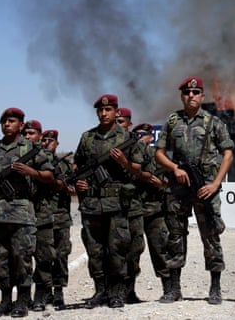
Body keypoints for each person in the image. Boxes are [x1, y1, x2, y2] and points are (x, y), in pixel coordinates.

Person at [155, 77, 234, 305]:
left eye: (196, 92)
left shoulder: (213, 122)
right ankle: (174, 289)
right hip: (179, 187)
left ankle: (215, 287)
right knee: (175, 236)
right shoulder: (172, 121)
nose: (191, 96)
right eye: (187, 93)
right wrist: (174, 168)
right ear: (182, 96)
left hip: (205, 187)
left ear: (202, 96)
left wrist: (216, 183)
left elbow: (228, 153)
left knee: (210, 235)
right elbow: (159, 153)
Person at [73, 94, 146, 309]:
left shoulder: (127, 138)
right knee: (95, 249)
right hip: (92, 203)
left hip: (117, 202)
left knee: (117, 248)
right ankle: (100, 291)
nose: (104, 114)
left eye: (108, 110)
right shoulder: (87, 137)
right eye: (100, 110)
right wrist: (80, 183)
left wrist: (124, 162)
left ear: (116, 111)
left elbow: (138, 169)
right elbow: (78, 165)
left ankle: (116, 292)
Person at [0, 108, 55, 317]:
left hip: (22, 211)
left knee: (22, 258)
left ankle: (22, 301)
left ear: (21, 125)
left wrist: (32, 172)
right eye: (4, 121)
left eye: (12, 121)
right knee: (1, 260)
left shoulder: (30, 148)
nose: (7, 124)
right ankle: (5, 301)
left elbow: (49, 175)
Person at [132, 123, 173, 302]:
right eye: (137, 135)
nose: (140, 138)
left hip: (155, 209)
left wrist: (161, 185)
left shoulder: (157, 157)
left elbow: (169, 182)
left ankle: (169, 288)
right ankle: (128, 290)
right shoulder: (130, 156)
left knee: (161, 249)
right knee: (132, 250)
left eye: (143, 135)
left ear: (150, 137)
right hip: (133, 209)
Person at [22, 119, 58, 312]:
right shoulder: (17, 155)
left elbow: (52, 178)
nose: (28, 137)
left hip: (42, 213)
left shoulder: (45, 156)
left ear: (40, 135)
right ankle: (24, 297)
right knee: (22, 258)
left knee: (44, 257)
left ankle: (41, 295)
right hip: (20, 215)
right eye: (25, 133)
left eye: (32, 133)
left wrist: (32, 172)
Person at [115, 107, 147, 304]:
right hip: (111, 206)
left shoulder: (138, 147)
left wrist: (125, 162)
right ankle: (111, 292)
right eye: (116, 120)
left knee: (135, 248)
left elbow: (146, 175)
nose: (118, 124)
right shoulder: (103, 144)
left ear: (129, 124)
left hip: (133, 205)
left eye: (121, 121)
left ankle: (130, 290)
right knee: (113, 249)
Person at [40, 129, 74, 308]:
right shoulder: (37, 163)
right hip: (42, 216)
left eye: (50, 141)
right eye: (44, 140)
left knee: (61, 255)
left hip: (60, 215)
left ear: (57, 144)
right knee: (44, 256)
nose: (46, 143)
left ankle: (58, 290)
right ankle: (45, 291)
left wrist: (64, 186)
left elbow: (74, 188)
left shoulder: (65, 165)